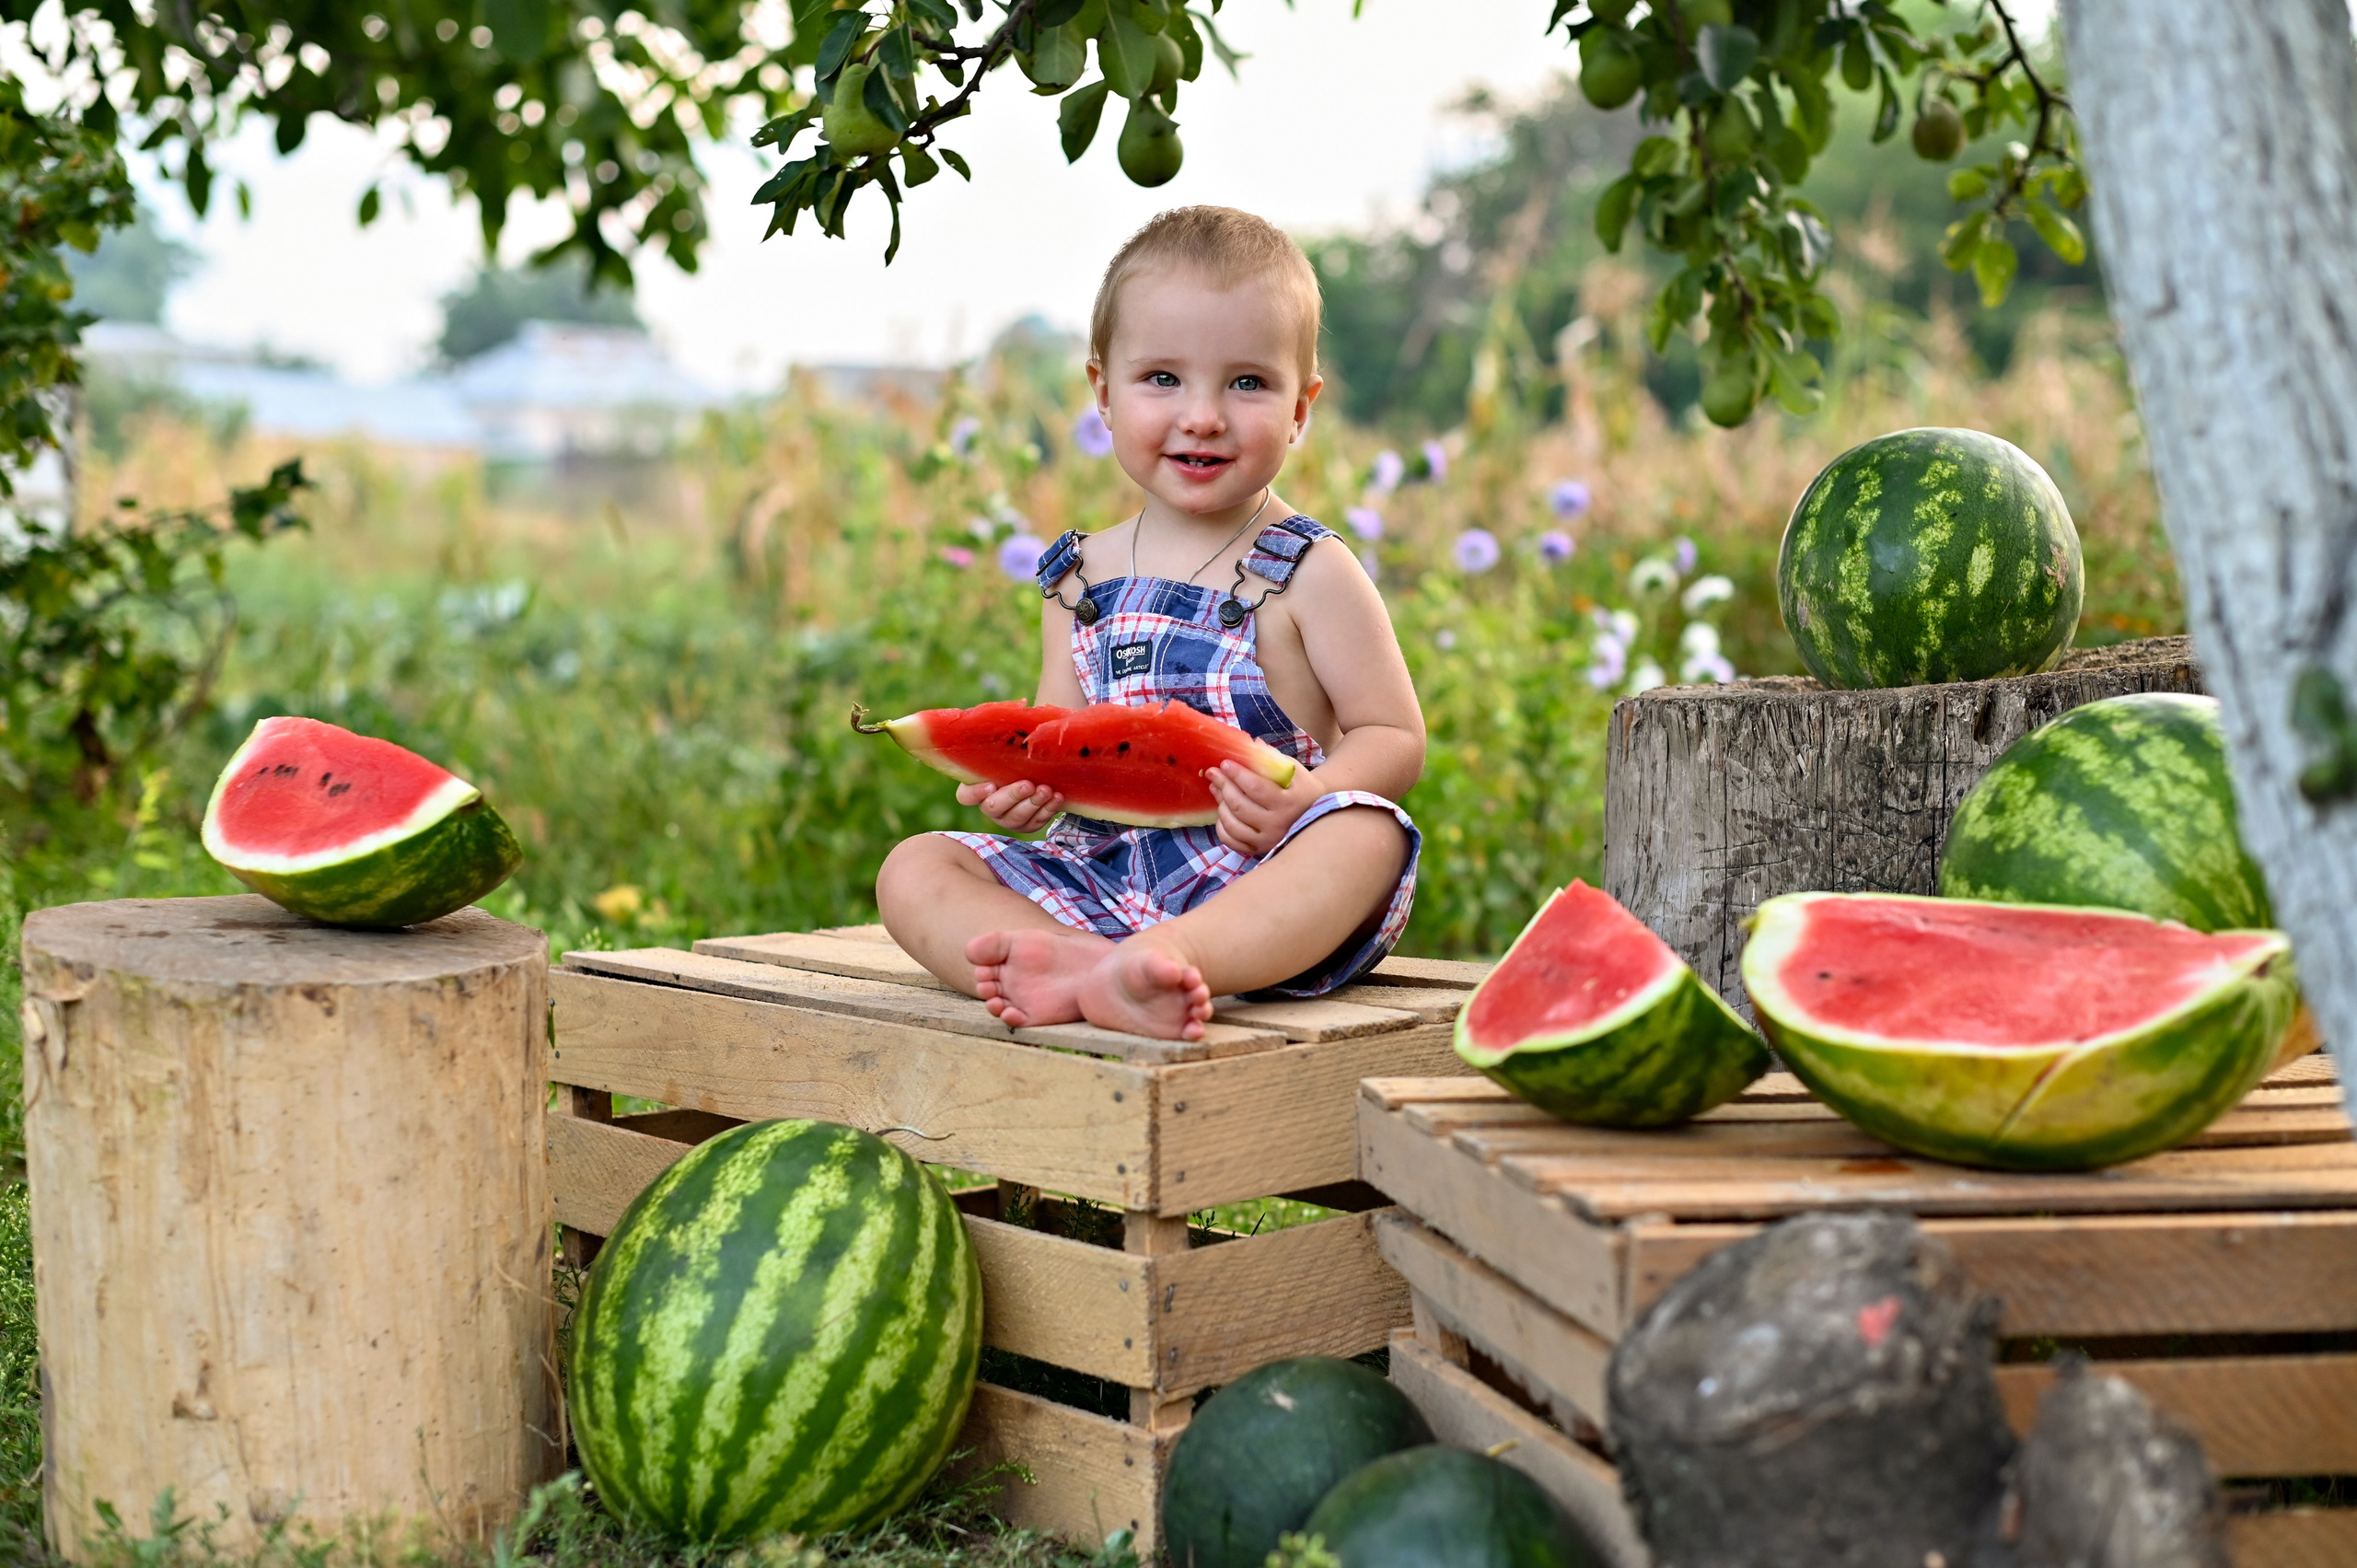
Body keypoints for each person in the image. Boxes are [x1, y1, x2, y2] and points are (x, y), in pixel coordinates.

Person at [877, 206, 1425, 1040]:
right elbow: (1059, 735)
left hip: (1258, 878)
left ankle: (1167, 960)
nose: (1202, 415)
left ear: (1302, 406)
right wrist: (1024, 787)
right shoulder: (1076, 576)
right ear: (1103, 391)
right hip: (1093, 875)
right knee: (913, 867)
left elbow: (1393, 733)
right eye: (1162, 379)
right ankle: (1078, 966)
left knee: (1367, 835)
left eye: (1247, 383)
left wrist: (1311, 797)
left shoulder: (1310, 569)